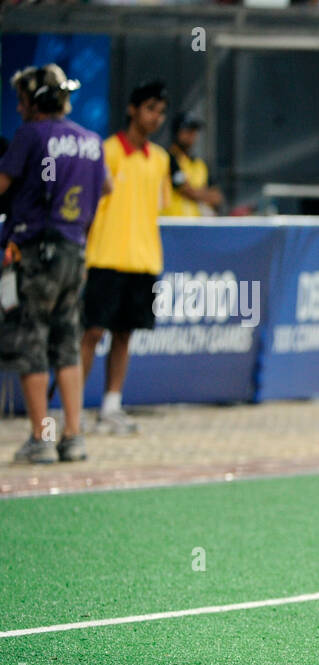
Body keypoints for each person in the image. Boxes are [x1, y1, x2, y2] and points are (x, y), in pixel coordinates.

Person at [0, 64, 109, 463]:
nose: (18, 107)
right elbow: (108, 186)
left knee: (32, 343)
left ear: (37, 101)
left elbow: (2, 183)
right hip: (74, 251)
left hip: (38, 253)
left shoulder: (31, 135)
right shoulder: (91, 141)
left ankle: (41, 438)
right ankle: (73, 437)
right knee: (66, 344)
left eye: (23, 100)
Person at [80, 78, 172, 435]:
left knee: (124, 335)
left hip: (144, 260)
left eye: (161, 112)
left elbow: (160, 206)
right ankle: (70, 410)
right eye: (150, 109)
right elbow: (89, 207)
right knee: (91, 333)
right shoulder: (105, 152)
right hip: (104, 257)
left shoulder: (160, 160)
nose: (155, 118)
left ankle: (111, 407)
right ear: (132, 109)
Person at [162, 111, 222, 217]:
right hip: (171, 223)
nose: (192, 134)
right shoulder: (166, 158)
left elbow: (217, 197)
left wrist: (198, 193)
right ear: (176, 131)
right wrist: (203, 193)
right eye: (187, 130)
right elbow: (187, 191)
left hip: (196, 226)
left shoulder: (200, 164)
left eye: (194, 130)